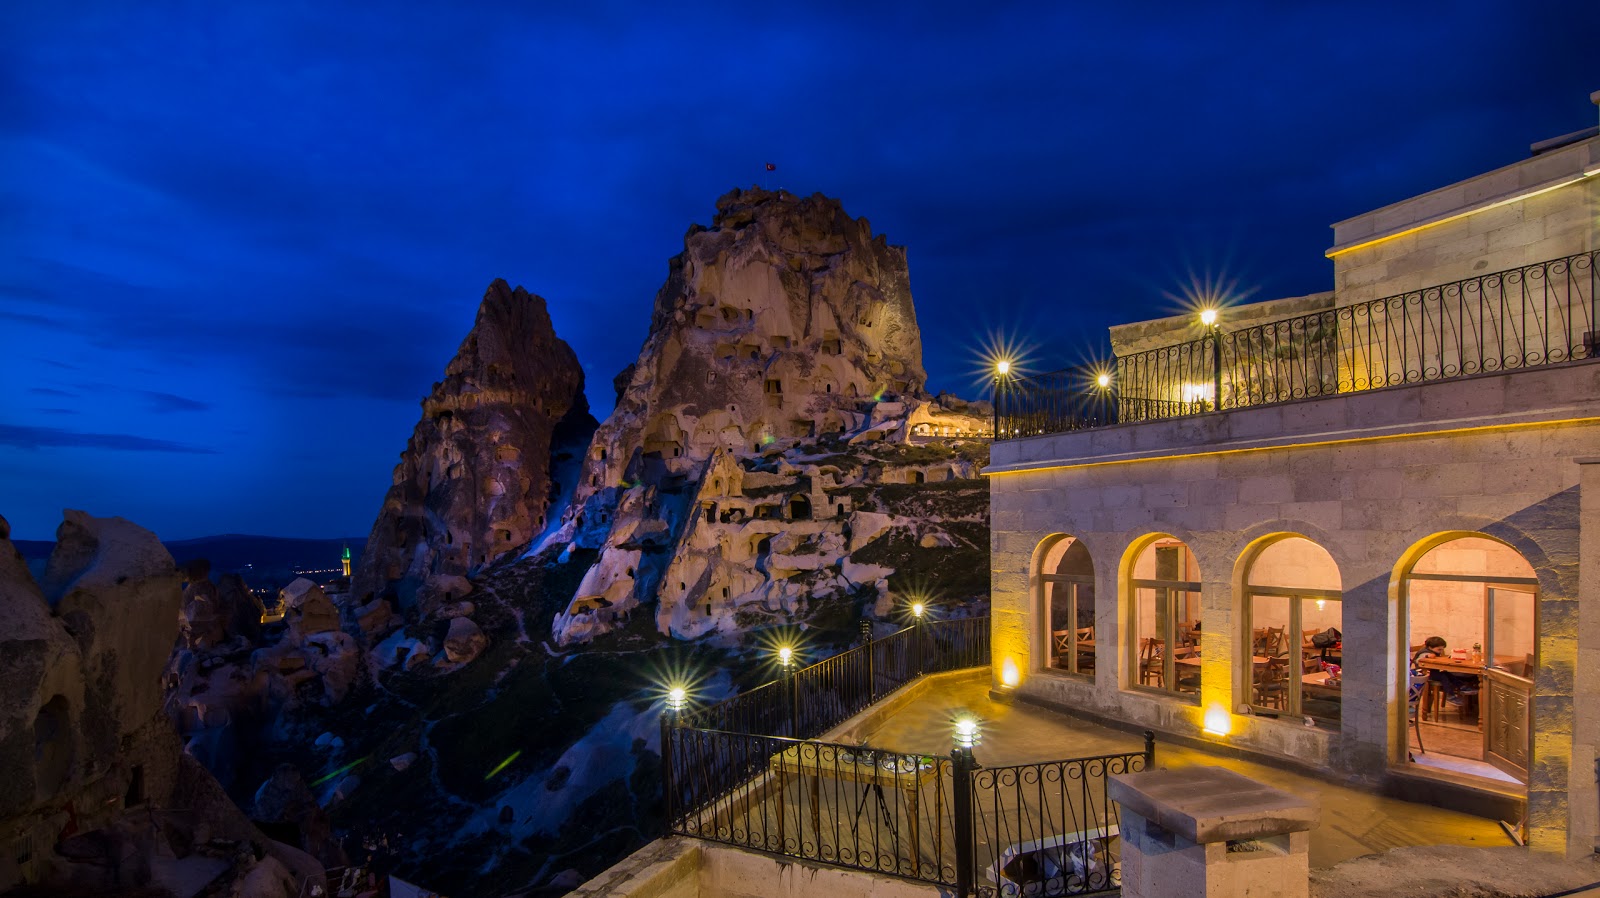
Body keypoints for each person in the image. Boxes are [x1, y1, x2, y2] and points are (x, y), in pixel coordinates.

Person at [1411, 636, 1477, 706]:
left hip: (1433, 672)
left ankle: (1462, 686)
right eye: (1439, 650)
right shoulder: (1424, 652)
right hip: (1424, 674)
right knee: (1444, 676)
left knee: (1448, 674)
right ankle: (1450, 695)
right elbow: (1418, 660)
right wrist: (1427, 656)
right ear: (1430, 647)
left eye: (1442, 649)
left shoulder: (1434, 651)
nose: (1441, 651)